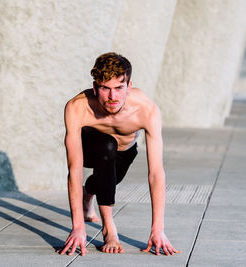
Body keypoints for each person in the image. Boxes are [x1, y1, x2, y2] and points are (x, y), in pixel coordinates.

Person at [58, 52, 180, 256]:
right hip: (91, 147)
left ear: (129, 87)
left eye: (118, 88)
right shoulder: (77, 107)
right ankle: (109, 229)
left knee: (107, 180)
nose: (112, 97)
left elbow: (156, 173)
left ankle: (89, 195)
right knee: (107, 145)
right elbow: (75, 169)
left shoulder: (146, 110)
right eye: (105, 88)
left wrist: (158, 230)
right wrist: (78, 227)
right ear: (95, 87)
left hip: (125, 152)